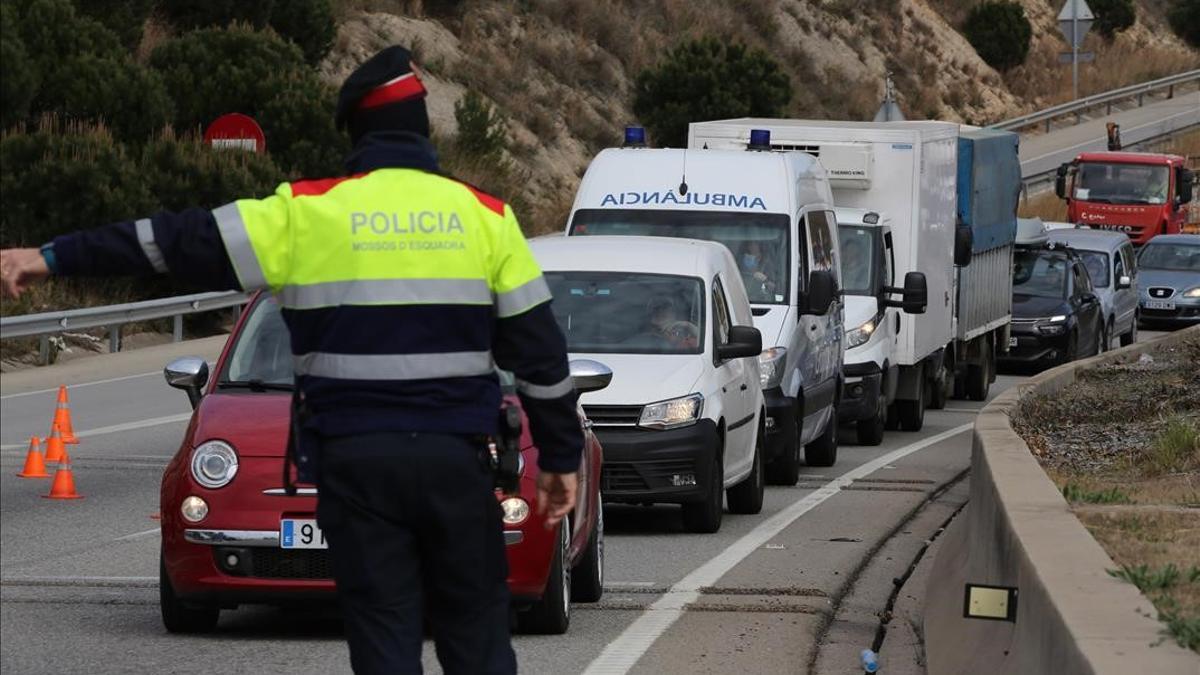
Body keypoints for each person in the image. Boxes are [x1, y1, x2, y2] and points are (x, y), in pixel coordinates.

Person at [0, 46, 582, 675]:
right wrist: (558, 459)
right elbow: (541, 356)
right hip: (458, 463)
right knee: (477, 635)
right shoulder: (488, 218)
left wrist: (51, 256)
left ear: (354, 131)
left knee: (385, 633)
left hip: (357, 468)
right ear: (423, 130)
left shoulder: (306, 213)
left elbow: (172, 241)